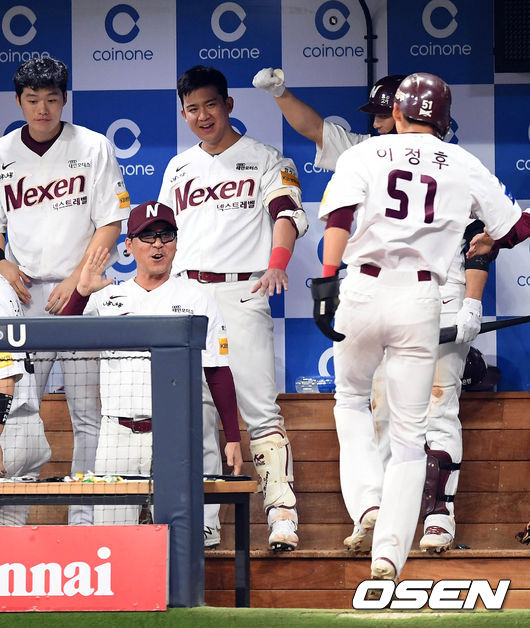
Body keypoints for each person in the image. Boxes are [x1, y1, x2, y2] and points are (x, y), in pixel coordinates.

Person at [255, 66, 490, 554]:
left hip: (434, 297)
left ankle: (435, 516)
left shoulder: (438, 160)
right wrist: (281, 93)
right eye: (377, 115)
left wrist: (471, 301)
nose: (379, 122)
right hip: (406, 300)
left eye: (385, 113)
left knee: (432, 411)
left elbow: (478, 238)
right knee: (384, 415)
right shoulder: (373, 152)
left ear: (402, 113)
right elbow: (316, 130)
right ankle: (382, 520)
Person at [310, 72, 525, 584]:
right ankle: (389, 554)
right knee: (411, 434)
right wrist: (493, 243)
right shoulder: (463, 162)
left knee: (350, 401)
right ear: (445, 121)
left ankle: (368, 505)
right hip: (423, 298)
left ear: (397, 112)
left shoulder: (365, 153)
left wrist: (326, 281)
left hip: (364, 287)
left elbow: (339, 217)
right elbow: (516, 227)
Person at [158, 65, 308, 550]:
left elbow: (287, 212)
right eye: (192, 109)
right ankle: (205, 520)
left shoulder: (266, 158)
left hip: (243, 289)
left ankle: (281, 512)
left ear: (228, 105)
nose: (202, 116)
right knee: (196, 410)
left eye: (210, 105)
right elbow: (163, 235)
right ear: (183, 113)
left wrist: (277, 263)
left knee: (260, 408)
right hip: (188, 296)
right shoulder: (178, 167)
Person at [0, 57, 130, 525]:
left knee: (88, 413)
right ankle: (12, 521)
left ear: (64, 99)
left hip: (82, 294)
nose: (42, 109)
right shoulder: (2, 152)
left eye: (51, 99)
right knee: (18, 410)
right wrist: (3, 262)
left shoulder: (93, 146)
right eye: (32, 100)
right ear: (19, 101)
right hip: (23, 299)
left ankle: (84, 518)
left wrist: (78, 278)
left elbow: (111, 222)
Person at [60, 201, 243, 525]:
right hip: (116, 434)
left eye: (166, 235)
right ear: (129, 246)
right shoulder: (106, 297)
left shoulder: (197, 298)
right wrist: (82, 292)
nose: (158, 244)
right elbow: (62, 338)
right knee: (113, 536)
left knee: (177, 537)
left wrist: (233, 436)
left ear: (176, 242)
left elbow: (217, 370)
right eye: (147, 236)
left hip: (175, 434)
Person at [0, 275, 51, 525]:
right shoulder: (3, 284)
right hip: (24, 425)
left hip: (7, 432)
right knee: (10, 539)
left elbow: (5, 377)